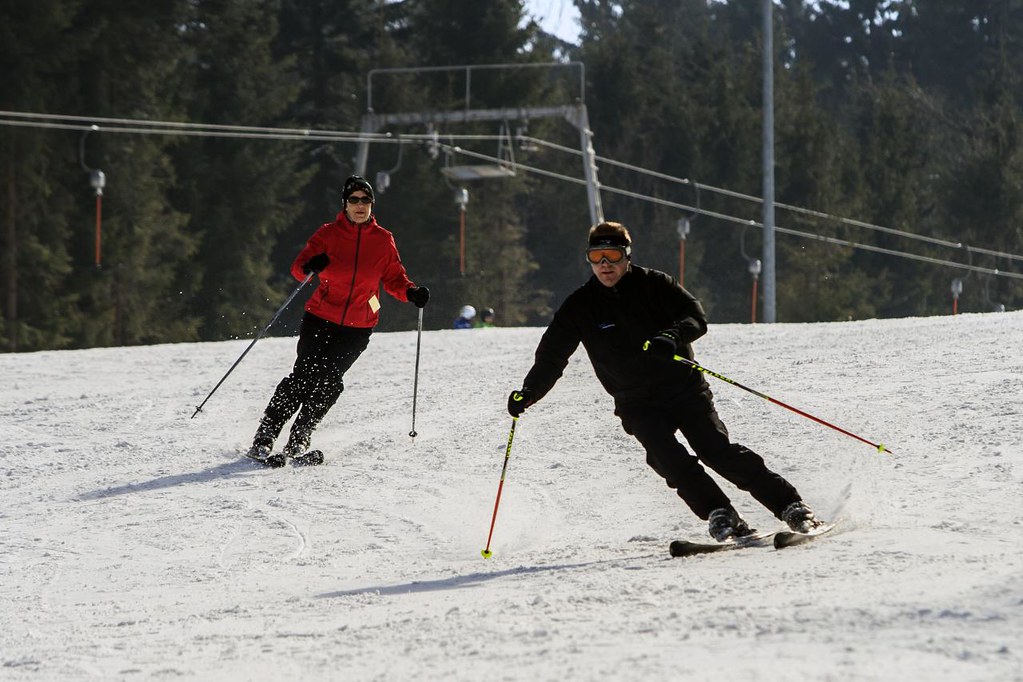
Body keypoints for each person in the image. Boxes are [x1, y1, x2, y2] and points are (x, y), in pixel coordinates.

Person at [507, 221, 823, 541]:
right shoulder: (580, 306)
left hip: (683, 389)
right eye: (597, 256)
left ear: (627, 256)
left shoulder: (655, 285)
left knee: (715, 450)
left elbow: (695, 316)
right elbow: (552, 356)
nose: (605, 265)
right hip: (635, 401)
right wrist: (529, 392)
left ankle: (791, 506)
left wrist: (672, 335)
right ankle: (722, 514)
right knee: (665, 457)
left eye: (613, 255)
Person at [247, 175, 430, 465]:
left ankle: (301, 435)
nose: (360, 205)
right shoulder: (328, 234)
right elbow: (299, 268)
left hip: (358, 327)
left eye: (365, 200)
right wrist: (311, 266)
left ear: (372, 204)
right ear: (344, 204)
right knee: (304, 375)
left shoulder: (383, 240)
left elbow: (395, 278)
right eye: (354, 200)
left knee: (330, 380)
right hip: (320, 316)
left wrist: (412, 293)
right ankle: (266, 435)